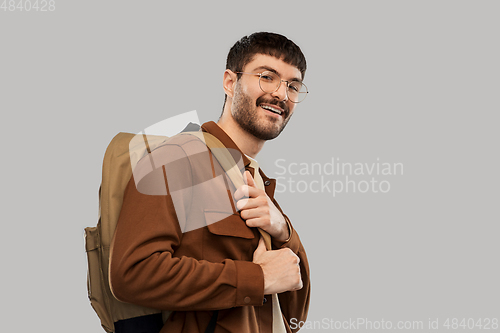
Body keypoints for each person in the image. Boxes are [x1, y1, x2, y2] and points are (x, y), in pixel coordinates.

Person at [109, 32, 310, 333]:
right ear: (230, 82)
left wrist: (283, 230)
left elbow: (297, 313)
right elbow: (132, 273)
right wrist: (257, 278)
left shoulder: (255, 179)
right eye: (267, 77)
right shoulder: (178, 158)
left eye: (293, 85)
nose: (281, 94)